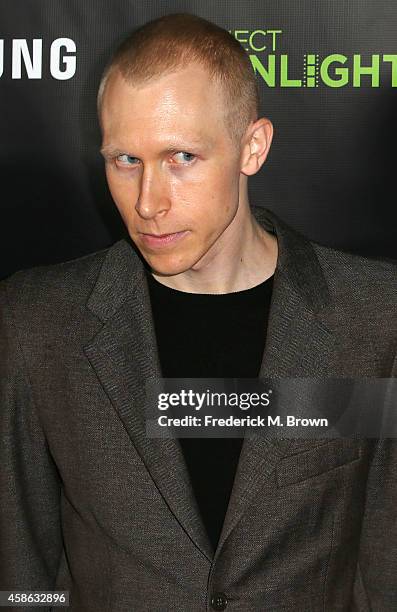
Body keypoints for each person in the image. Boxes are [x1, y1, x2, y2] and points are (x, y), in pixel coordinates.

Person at [0, 13, 396, 612]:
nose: (148, 202)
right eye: (124, 160)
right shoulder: (37, 322)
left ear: (252, 147)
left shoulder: (374, 315)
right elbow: (22, 568)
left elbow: (383, 561)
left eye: (181, 156)